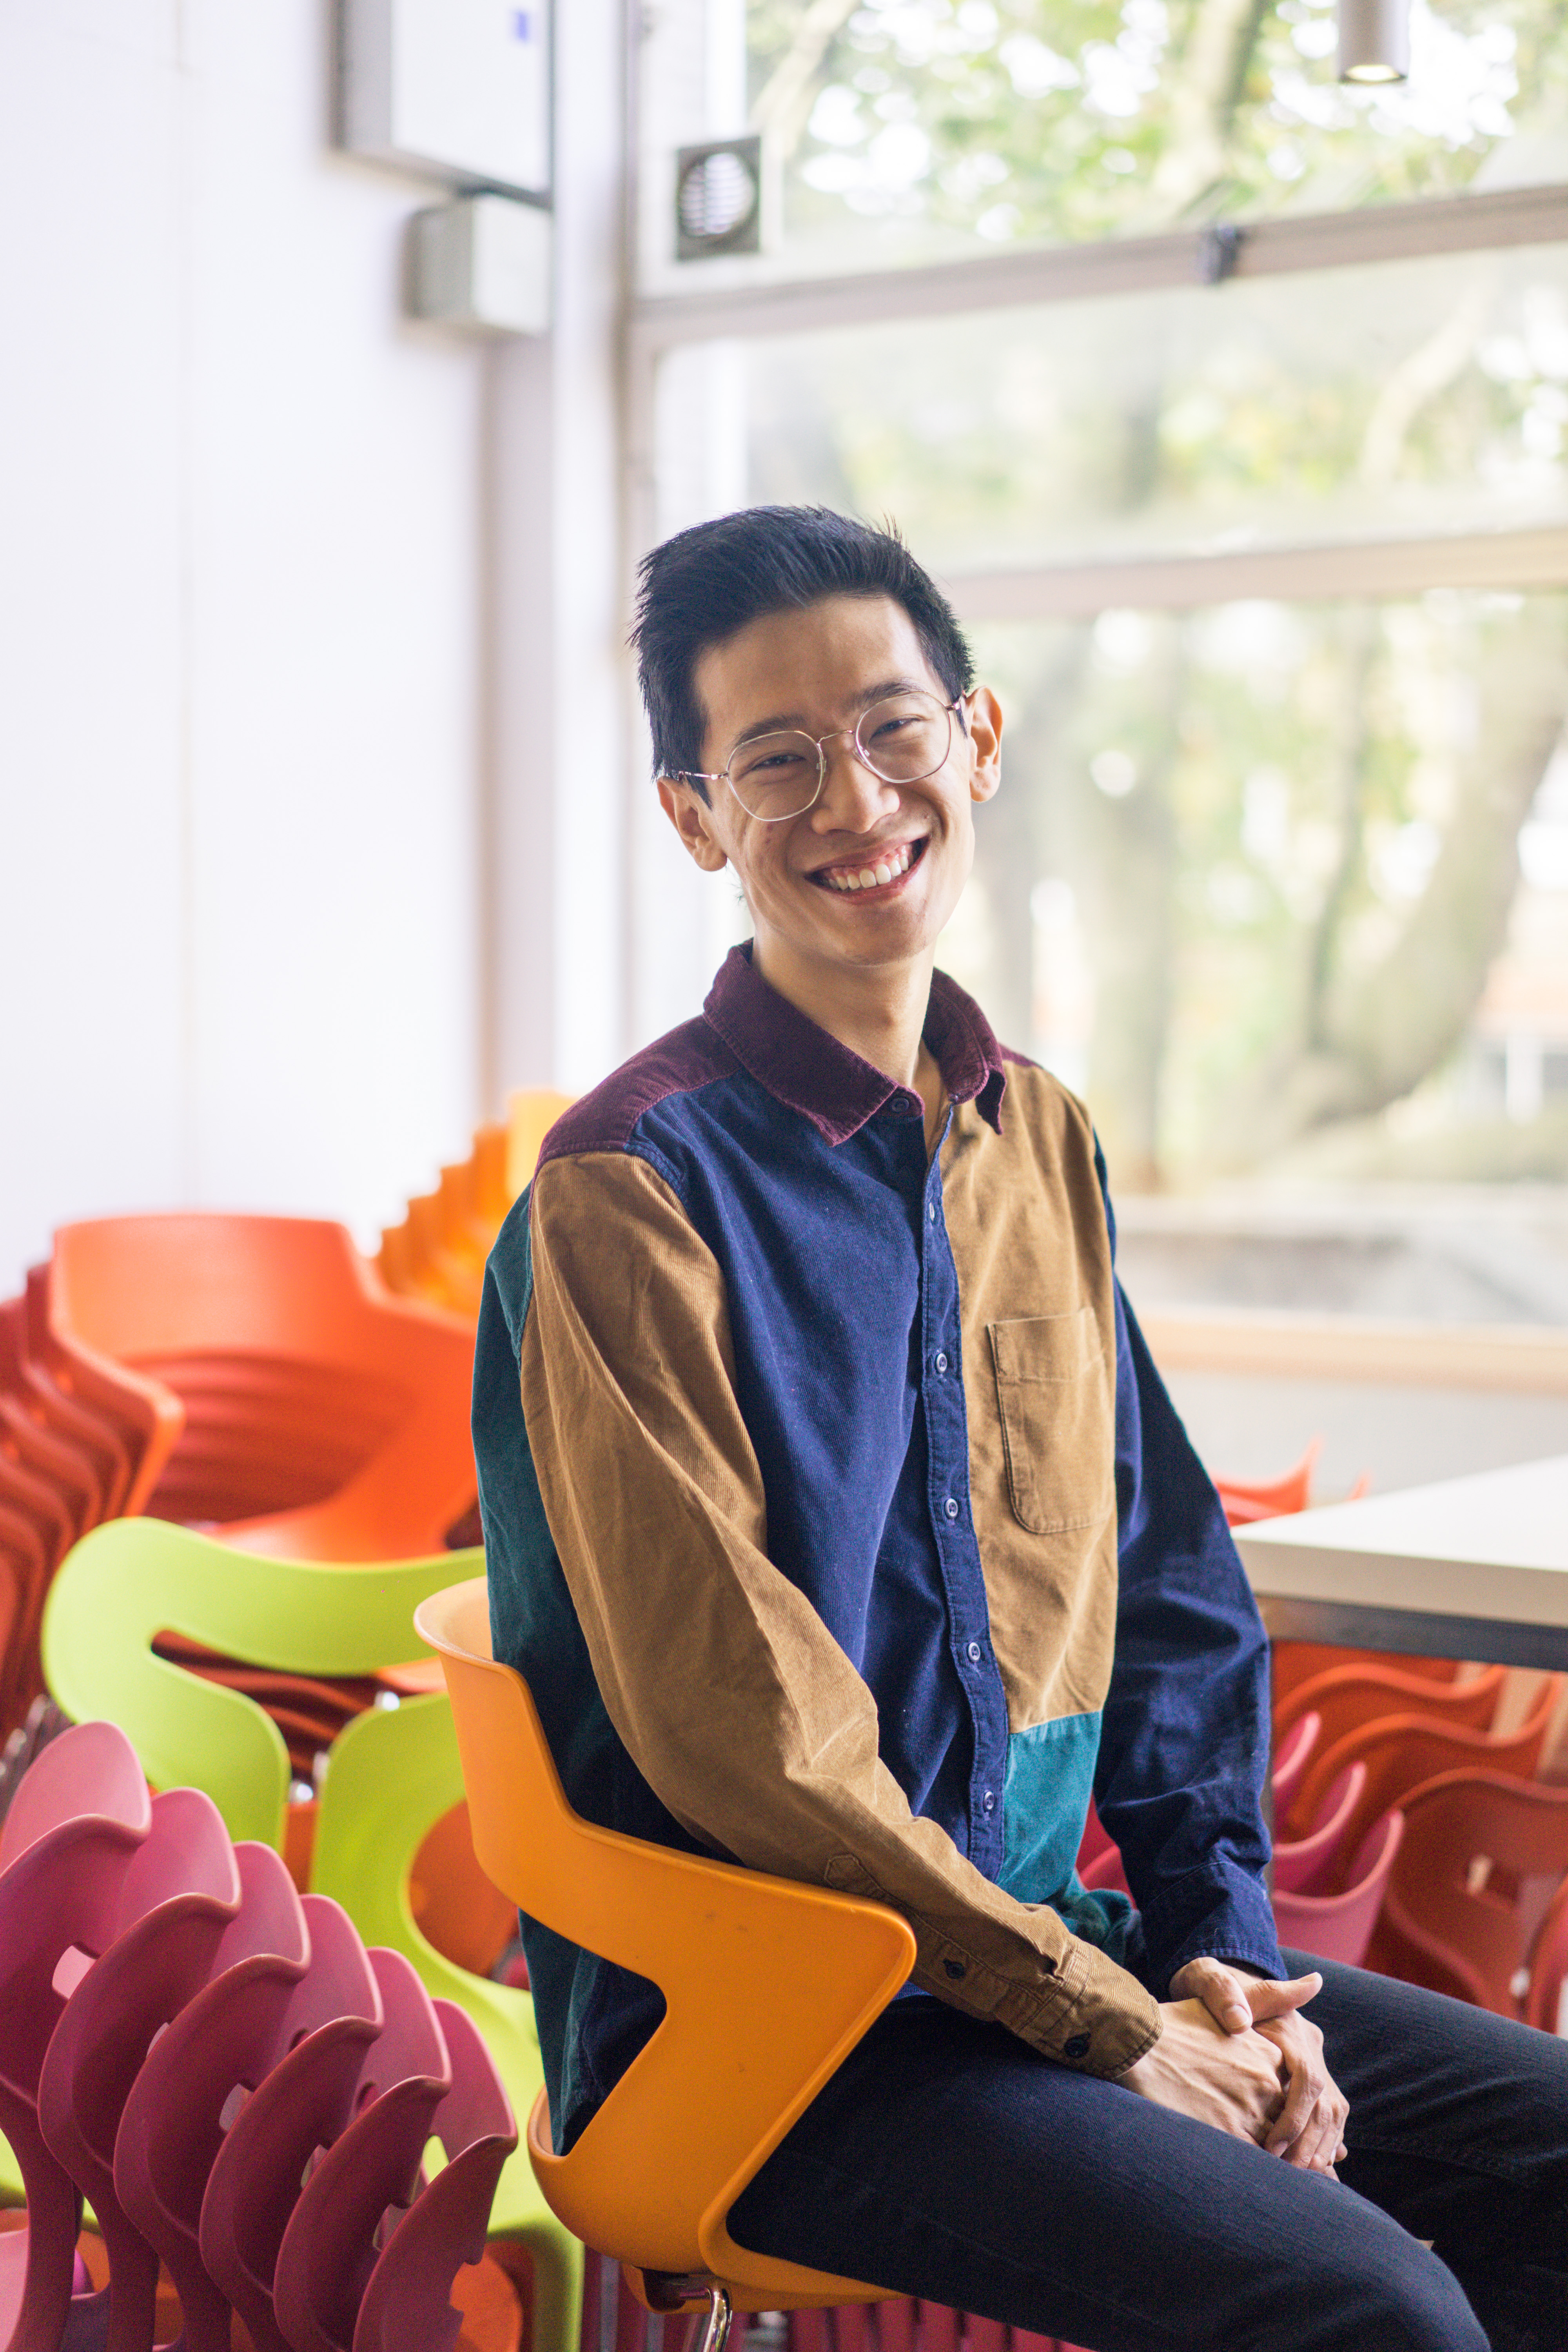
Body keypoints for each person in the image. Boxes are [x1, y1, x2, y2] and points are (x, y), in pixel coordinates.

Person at [473, 506, 1568, 2352]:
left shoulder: (1031, 1135)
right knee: (1371, 2312)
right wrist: (1112, 2023)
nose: (855, 800)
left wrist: (1221, 1947)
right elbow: (750, 1735)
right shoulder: (624, 1199)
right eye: (778, 760)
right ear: (694, 818)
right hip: (783, 2017)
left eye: (893, 730)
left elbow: (1166, 1579)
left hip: (1057, 1945)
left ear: (974, 743)